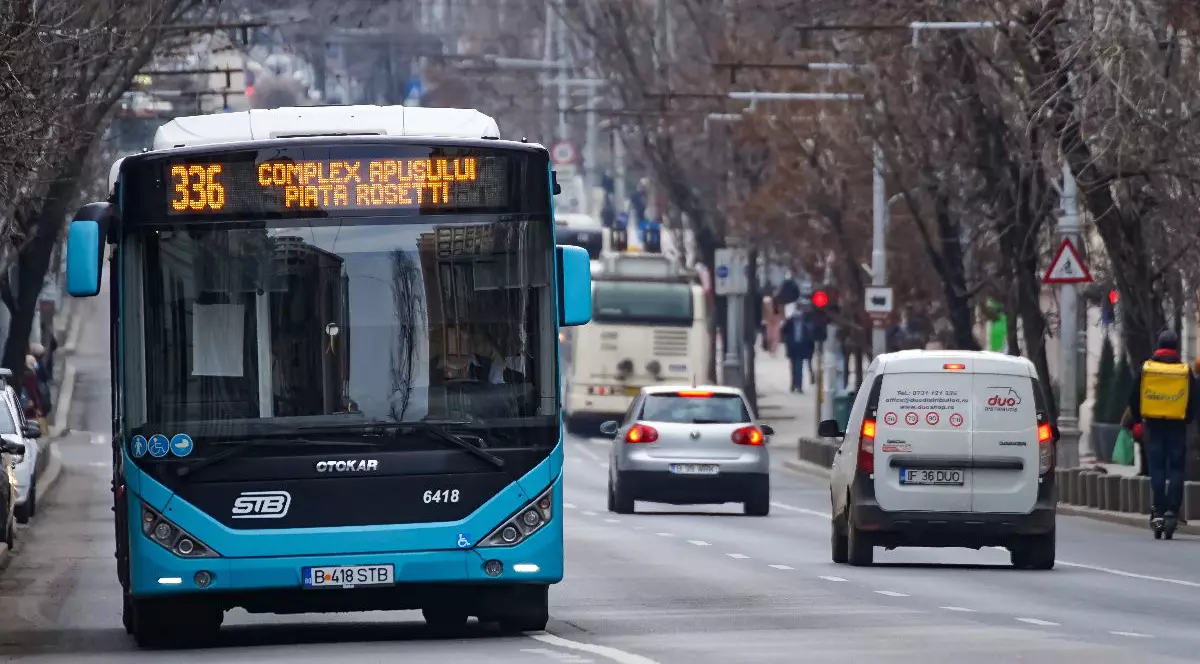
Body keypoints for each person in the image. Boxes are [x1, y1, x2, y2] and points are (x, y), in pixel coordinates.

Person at [1125, 330, 1197, 528]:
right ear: (1175, 347)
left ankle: (1158, 507)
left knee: (1156, 467)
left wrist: (1139, 419)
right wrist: (1188, 419)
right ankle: (1172, 510)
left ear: (1158, 345)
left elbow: (1133, 397)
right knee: (1176, 468)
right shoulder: (1184, 371)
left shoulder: (1146, 369)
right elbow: (1193, 400)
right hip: (1177, 425)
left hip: (1153, 425)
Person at [781, 310, 815, 393]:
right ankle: (793, 385)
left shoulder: (805, 324)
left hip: (801, 348)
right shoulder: (790, 323)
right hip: (792, 348)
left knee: (799, 368)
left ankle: (799, 386)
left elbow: (809, 336)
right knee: (793, 368)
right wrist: (786, 341)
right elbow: (783, 331)